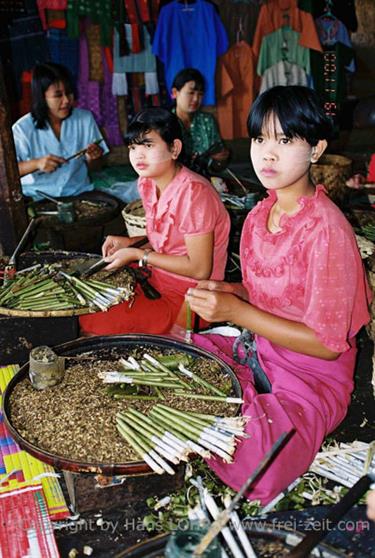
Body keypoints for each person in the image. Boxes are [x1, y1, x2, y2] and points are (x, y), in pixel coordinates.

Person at [186, 85, 372, 504]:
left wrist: (235, 311)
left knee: (259, 464)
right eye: (259, 139)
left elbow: (326, 345)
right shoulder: (257, 215)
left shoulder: (327, 230)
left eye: (285, 140)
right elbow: (266, 291)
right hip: (261, 349)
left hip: (311, 376)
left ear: (317, 149)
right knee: (181, 362)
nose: (267, 154)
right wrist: (230, 290)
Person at [79, 107, 230, 336]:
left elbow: (200, 269)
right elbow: (167, 241)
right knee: (89, 303)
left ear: (174, 148)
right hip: (157, 278)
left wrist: (139, 255)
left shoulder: (194, 194)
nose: (138, 155)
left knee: (99, 323)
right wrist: (130, 242)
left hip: (190, 296)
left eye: (148, 145)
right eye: (133, 147)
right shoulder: (148, 183)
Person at [12, 62, 109, 200]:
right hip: (36, 197)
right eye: (58, 95)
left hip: (78, 192)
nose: (66, 101)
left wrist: (94, 158)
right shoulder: (22, 129)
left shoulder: (85, 119)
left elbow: (96, 167)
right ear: (42, 97)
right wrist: (36, 164)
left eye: (69, 93)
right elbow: (7, 173)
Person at [171, 68, 230, 174]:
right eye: (191, 93)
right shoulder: (166, 122)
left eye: (200, 94)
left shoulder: (207, 121)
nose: (196, 99)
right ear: (175, 93)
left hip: (204, 178)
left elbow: (217, 163)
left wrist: (221, 158)